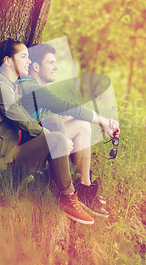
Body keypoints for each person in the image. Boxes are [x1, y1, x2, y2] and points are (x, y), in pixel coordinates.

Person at [0, 38, 94, 225]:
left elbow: (26, 121)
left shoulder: (9, 86)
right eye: (23, 57)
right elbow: (25, 123)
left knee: (54, 123)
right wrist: (58, 140)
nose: (28, 61)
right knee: (56, 139)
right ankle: (68, 197)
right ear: (7, 61)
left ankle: (55, 182)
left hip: (8, 151)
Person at [18, 43, 120, 217]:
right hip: (22, 155)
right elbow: (68, 107)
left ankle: (83, 186)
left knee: (74, 121)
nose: (56, 67)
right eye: (50, 62)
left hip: (28, 142)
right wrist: (103, 121)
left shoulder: (28, 85)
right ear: (36, 66)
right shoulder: (32, 89)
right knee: (81, 124)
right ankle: (83, 189)